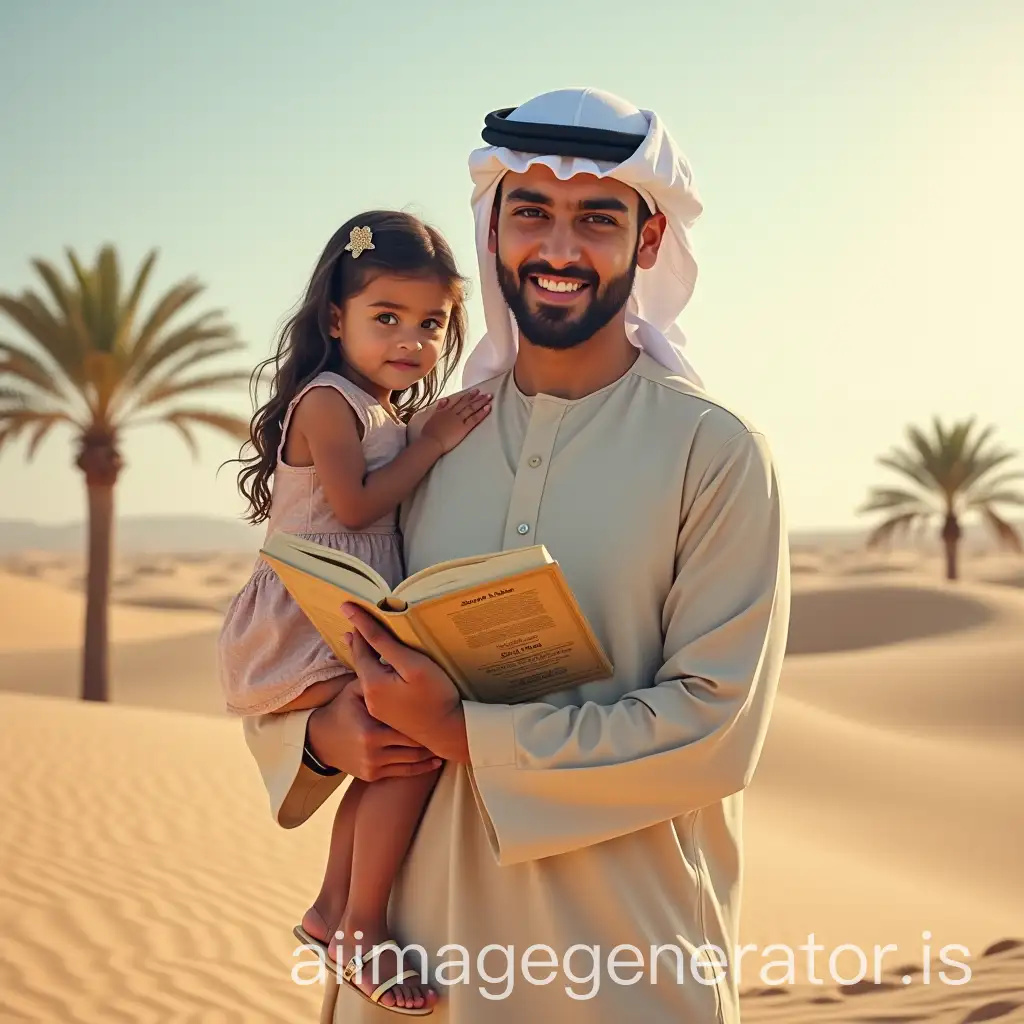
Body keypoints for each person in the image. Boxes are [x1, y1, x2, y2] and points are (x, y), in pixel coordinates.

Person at [241, 87, 791, 1022]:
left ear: (648, 243)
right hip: (412, 972)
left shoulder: (713, 449)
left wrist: (465, 735)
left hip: (622, 971)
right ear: (494, 234)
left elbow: (716, 727)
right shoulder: (424, 444)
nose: (560, 249)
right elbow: (309, 630)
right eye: (531, 212)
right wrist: (326, 737)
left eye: (597, 219)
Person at [219, 209, 491, 1014]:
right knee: (410, 742)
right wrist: (432, 444)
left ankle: (332, 913)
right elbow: (356, 500)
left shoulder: (382, 408)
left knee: (396, 750)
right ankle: (360, 927)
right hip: (303, 622)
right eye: (387, 318)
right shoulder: (329, 403)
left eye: (431, 324)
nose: (411, 340)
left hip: (347, 615)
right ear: (336, 320)